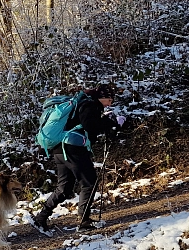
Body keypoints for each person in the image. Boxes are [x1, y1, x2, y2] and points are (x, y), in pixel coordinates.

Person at [32, 85, 123, 232]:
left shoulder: (82, 103)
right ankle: (84, 220)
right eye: (109, 100)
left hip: (59, 150)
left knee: (64, 187)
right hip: (73, 150)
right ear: (101, 97)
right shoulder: (90, 104)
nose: (110, 104)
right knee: (89, 182)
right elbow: (90, 126)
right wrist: (109, 122)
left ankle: (41, 217)